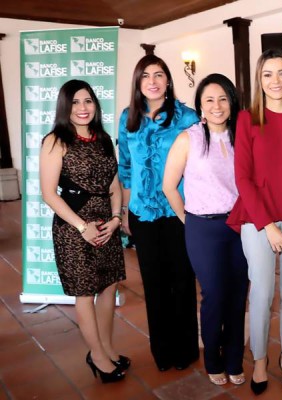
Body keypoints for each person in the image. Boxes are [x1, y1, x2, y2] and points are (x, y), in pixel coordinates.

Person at [226, 49, 282, 395]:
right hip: (257, 221)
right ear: (258, 80)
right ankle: (262, 359)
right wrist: (266, 226)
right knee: (262, 293)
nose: (275, 81)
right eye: (267, 74)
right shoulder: (248, 119)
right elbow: (243, 178)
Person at [162, 74, 249, 386]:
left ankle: (235, 359)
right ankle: (213, 359)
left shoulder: (243, 136)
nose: (217, 105)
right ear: (199, 105)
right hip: (203, 227)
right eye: (209, 99)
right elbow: (169, 186)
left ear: (232, 103)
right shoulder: (189, 138)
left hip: (240, 226)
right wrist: (189, 220)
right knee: (214, 294)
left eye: (223, 98)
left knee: (239, 295)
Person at [40, 79, 128, 383]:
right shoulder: (56, 141)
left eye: (88, 101)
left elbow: (115, 187)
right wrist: (82, 228)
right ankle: (97, 356)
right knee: (85, 292)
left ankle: (106, 347)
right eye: (75, 102)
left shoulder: (103, 139)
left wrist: (116, 220)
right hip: (74, 230)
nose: (82, 108)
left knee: (109, 287)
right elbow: (49, 193)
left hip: (107, 226)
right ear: (66, 107)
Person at [118, 54, 199, 371]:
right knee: (153, 284)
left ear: (168, 80)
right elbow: (125, 167)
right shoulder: (129, 118)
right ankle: (162, 352)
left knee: (182, 280)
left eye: (159, 74)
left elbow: (199, 167)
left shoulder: (187, 117)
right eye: (145, 76)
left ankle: (186, 350)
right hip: (143, 214)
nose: (152, 81)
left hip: (178, 213)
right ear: (138, 83)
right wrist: (125, 210)